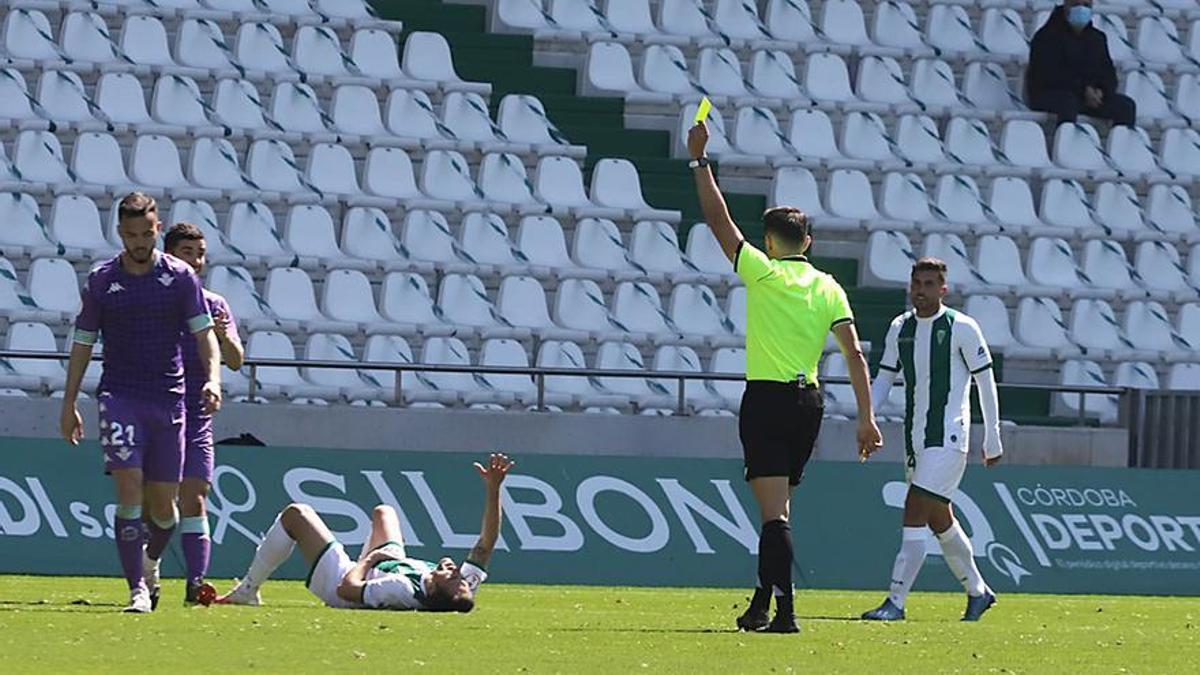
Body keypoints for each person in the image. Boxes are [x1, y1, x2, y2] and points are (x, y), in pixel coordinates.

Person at [687, 122, 883, 634]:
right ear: (809, 242)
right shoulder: (828, 287)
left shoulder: (763, 272)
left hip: (768, 399)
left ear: (770, 242)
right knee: (780, 508)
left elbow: (716, 218)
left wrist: (699, 161)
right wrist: (867, 418)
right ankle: (760, 605)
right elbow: (856, 355)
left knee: (774, 517)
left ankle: (787, 614)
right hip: (810, 403)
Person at [60, 192, 222, 613]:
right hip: (120, 396)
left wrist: (215, 380)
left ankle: (150, 563)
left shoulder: (181, 277)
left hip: (169, 401)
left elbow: (206, 335)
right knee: (129, 490)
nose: (138, 242)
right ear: (120, 233)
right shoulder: (101, 280)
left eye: (145, 233)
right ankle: (136, 590)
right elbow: (82, 342)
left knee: (164, 511)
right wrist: (69, 400)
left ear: (156, 228)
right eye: (130, 234)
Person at [860, 258, 1003, 623]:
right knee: (940, 518)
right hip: (916, 439)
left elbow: (985, 382)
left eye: (928, 284)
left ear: (943, 289)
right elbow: (884, 377)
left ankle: (895, 601)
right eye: (916, 283)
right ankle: (978, 591)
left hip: (950, 435)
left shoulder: (962, 328)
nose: (920, 290)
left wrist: (993, 437)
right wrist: (867, 419)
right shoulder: (900, 328)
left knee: (914, 508)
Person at [216, 453, 513, 611]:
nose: (458, 573)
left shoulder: (401, 589)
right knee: (385, 512)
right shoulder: (461, 589)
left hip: (347, 579)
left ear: (435, 590)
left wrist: (369, 561)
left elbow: (347, 589)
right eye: (461, 577)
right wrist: (494, 489)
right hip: (390, 561)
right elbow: (486, 546)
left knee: (297, 515)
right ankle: (248, 592)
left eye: (453, 577)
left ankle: (247, 591)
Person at [141, 222, 244, 607]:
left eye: (200, 254)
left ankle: (195, 584)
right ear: (169, 256)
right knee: (159, 505)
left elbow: (235, 360)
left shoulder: (215, 304)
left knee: (196, 497)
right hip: (157, 411)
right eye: (189, 253)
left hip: (198, 414)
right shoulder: (152, 300)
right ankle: (148, 575)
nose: (197, 262)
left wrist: (221, 336)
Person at [1026, 0, 1136, 127]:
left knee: (1125, 106)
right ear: (1066, 5)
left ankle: (1119, 145)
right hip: (1052, 93)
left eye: (1086, 5)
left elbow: (1108, 74)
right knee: (1068, 103)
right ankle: (1064, 143)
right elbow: (1048, 75)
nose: (1081, 9)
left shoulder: (1097, 38)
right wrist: (1083, 90)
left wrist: (1101, 90)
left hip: (1087, 97)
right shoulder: (1046, 36)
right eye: (1076, 4)